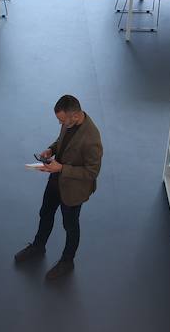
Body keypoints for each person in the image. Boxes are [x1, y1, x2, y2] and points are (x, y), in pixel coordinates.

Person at [14, 94, 103, 280]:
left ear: (76, 116)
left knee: (70, 226)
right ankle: (39, 246)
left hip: (73, 190)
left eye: (62, 120)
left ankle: (67, 261)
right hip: (56, 180)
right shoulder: (68, 122)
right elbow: (62, 140)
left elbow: (91, 173)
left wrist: (61, 168)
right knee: (45, 212)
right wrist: (51, 150)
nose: (60, 124)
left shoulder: (91, 139)